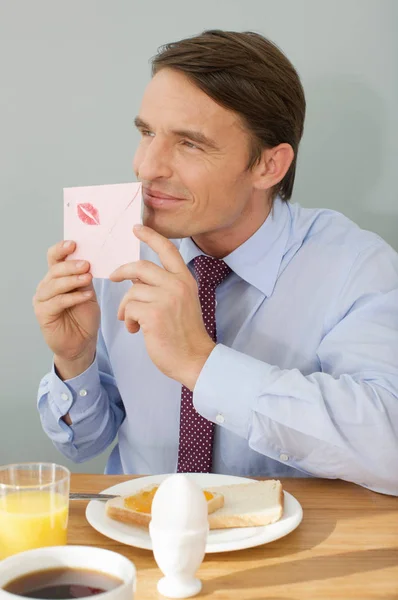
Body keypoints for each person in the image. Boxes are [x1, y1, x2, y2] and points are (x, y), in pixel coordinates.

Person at [33, 30, 398, 495]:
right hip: (138, 535)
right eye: (147, 133)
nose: (146, 167)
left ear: (269, 166)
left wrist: (202, 364)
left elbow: (391, 448)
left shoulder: (356, 268)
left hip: (288, 550)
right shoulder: (118, 250)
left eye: (189, 144)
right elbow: (84, 445)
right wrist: (74, 359)